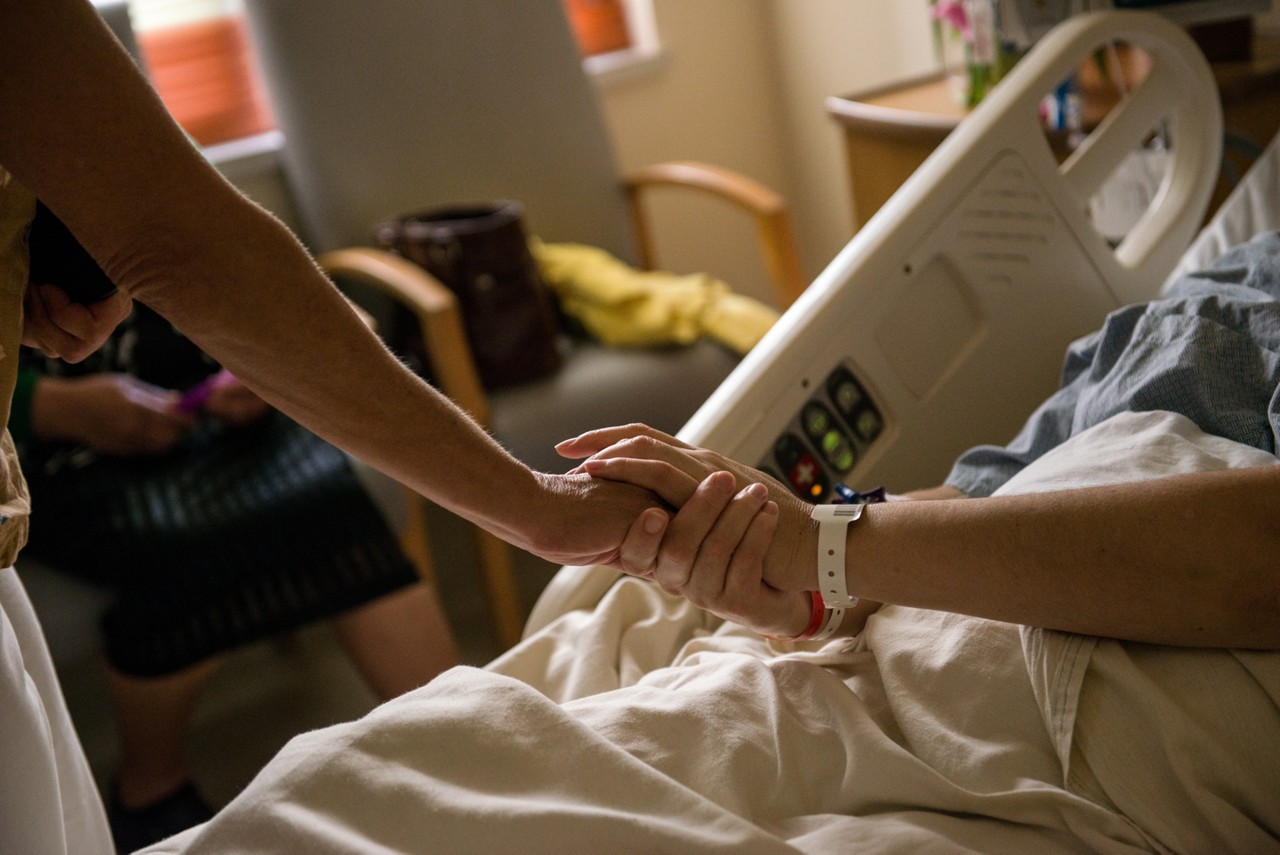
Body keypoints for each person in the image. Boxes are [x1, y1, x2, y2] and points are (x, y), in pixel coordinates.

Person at [124, 241, 1279, 852]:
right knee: (359, 785)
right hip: (887, 656)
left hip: (1081, 722)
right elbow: (979, 509)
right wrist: (800, 576)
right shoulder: (1181, 307)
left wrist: (830, 548)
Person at [0, 3, 661, 853]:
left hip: (150, 411)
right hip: (56, 462)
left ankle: (484, 754)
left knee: (330, 501)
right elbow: (185, 244)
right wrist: (539, 506)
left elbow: (163, 234)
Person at [12, 300, 462, 852]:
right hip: (58, 456)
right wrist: (48, 407)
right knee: (179, 549)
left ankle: (454, 727)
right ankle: (148, 791)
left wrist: (254, 366)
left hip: (210, 407)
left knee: (330, 501)